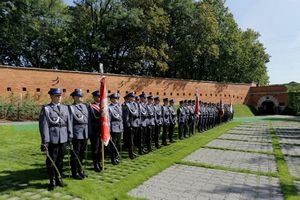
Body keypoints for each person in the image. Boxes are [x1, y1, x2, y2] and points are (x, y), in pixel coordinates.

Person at [39, 88, 72, 190]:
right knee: (51, 161)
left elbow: (69, 123)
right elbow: (44, 126)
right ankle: (52, 180)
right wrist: (45, 141)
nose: (59, 97)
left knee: (60, 160)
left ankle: (59, 178)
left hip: (63, 138)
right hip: (53, 139)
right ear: (51, 96)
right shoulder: (46, 109)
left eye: (59, 95)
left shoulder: (65, 108)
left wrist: (70, 136)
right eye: (56, 96)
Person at [69, 89, 89, 180]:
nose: (80, 97)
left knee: (81, 153)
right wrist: (70, 135)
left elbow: (87, 121)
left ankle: (80, 170)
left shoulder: (85, 107)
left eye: (81, 96)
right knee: (75, 154)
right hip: (76, 133)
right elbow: (69, 122)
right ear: (74, 97)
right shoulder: (70, 108)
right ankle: (75, 172)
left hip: (84, 133)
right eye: (78, 96)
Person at [88, 90, 102, 172]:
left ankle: (100, 162)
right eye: (98, 96)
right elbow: (90, 120)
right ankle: (95, 164)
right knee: (95, 148)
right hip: (94, 131)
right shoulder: (91, 106)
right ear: (94, 97)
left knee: (101, 148)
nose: (99, 98)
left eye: (100, 96)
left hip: (102, 131)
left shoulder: (103, 106)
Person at [123, 92, 140, 159]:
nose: (133, 98)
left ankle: (134, 152)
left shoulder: (135, 104)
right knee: (131, 141)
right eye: (132, 97)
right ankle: (131, 154)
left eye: (133, 97)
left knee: (135, 140)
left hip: (136, 124)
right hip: (131, 125)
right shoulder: (127, 105)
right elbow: (126, 117)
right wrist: (128, 126)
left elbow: (138, 115)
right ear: (129, 98)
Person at [108, 93, 123, 165]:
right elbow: (109, 121)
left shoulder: (119, 106)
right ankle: (113, 158)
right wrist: (109, 131)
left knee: (117, 144)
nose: (117, 100)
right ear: (111, 99)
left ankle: (116, 157)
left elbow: (121, 118)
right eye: (115, 98)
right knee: (113, 145)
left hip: (119, 128)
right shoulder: (109, 108)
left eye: (117, 98)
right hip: (113, 128)